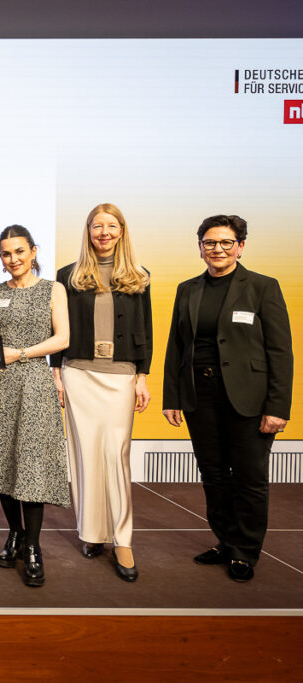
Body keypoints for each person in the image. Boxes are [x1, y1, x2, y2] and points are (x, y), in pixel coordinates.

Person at [162, 214, 292, 583]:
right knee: (214, 474)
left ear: (240, 246)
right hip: (199, 396)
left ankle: (244, 551)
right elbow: (177, 346)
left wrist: (277, 407)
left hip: (249, 398)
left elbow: (280, 351)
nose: (217, 249)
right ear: (200, 247)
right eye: (210, 242)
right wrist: (172, 397)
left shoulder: (262, 287)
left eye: (225, 242)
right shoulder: (188, 289)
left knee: (249, 477)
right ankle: (226, 540)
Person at [0, 225, 69, 587]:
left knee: (31, 467)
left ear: (33, 251)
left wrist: (19, 353)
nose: (13, 259)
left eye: (20, 251)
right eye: (6, 253)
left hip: (34, 384)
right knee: (2, 463)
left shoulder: (53, 289)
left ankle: (34, 546)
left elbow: (62, 338)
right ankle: (15, 534)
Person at [52, 203, 151, 582]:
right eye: (97, 226)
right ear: (88, 231)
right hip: (78, 374)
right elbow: (56, 327)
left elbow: (145, 329)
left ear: (121, 231)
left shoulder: (139, 276)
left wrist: (142, 376)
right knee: (85, 456)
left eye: (111, 226)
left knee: (116, 456)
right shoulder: (68, 276)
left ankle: (122, 540)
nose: (104, 232)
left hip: (121, 377)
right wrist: (56, 372)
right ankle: (92, 533)